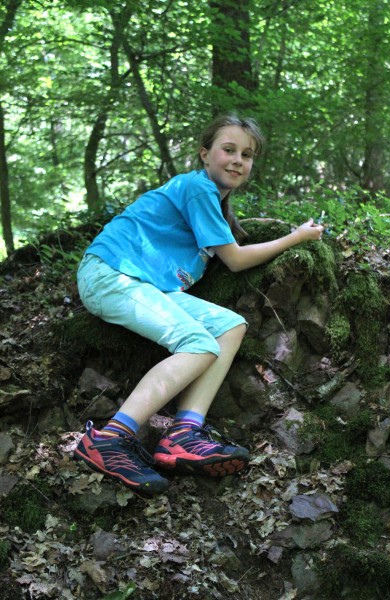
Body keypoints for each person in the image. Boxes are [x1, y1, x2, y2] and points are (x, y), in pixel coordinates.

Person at [74, 113, 324, 495]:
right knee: (198, 343)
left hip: (149, 286)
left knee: (229, 326)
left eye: (247, 155)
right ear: (205, 154)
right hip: (112, 273)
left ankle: (184, 433)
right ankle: (111, 438)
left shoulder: (210, 204)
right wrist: (296, 237)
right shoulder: (197, 187)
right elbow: (235, 259)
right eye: (229, 150)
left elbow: (226, 247)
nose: (238, 160)